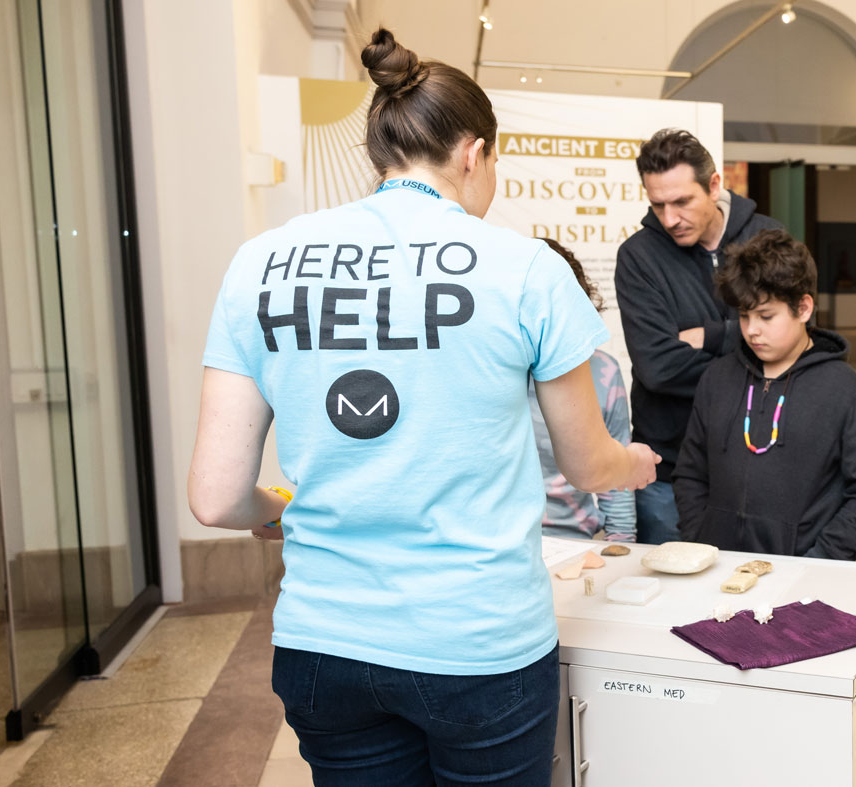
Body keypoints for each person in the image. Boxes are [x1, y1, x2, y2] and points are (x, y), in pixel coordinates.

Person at [187, 29, 658, 785]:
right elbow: (586, 459)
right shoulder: (524, 268)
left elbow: (213, 499)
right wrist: (633, 461)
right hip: (478, 643)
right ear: (474, 153)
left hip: (323, 643)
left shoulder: (262, 262)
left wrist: (280, 507)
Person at [672, 229, 856, 558]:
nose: (751, 330)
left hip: (805, 577)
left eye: (766, 316)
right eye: (744, 316)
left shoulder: (848, 393)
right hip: (718, 570)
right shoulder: (717, 379)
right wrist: (700, 537)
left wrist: (819, 560)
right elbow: (690, 473)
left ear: (803, 308)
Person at [615, 129, 781, 544]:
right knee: (669, 600)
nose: (669, 219)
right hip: (668, 467)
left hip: (757, 462)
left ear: (713, 186)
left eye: (682, 202)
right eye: (658, 204)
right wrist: (750, 363)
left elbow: (792, 341)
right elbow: (658, 367)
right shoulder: (638, 257)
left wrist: (710, 335)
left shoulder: (769, 240)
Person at [529, 238, 637, 540]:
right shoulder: (493, 371)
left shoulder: (603, 371)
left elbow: (616, 472)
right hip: (507, 545)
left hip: (577, 539)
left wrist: (621, 545)